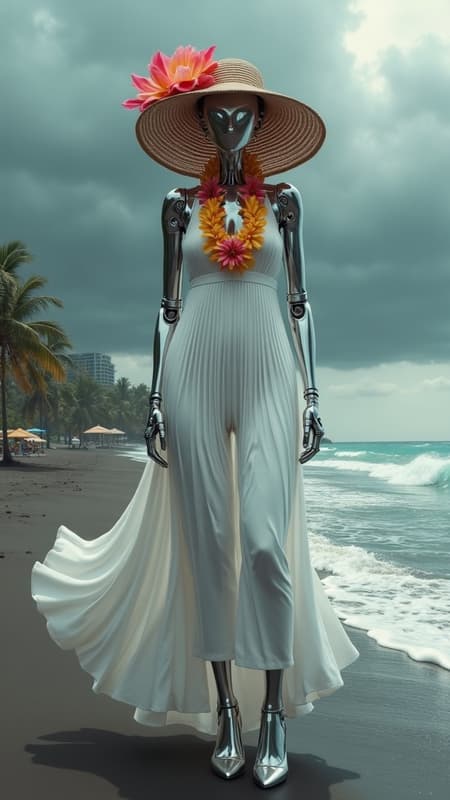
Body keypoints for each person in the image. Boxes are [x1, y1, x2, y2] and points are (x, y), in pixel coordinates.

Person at [31, 47, 358, 790]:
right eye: (219, 114)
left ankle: (274, 708)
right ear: (203, 122)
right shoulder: (179, 206)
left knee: (266, 543)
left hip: (273, 369)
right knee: (210, 541)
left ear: (263, 122)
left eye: (245, 113)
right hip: (192, 372)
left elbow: (301, 303)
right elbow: (166, 307)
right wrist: (150, 399)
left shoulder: (287, 203)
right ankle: (227, 713)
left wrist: (313, 396)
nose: (233, 123)